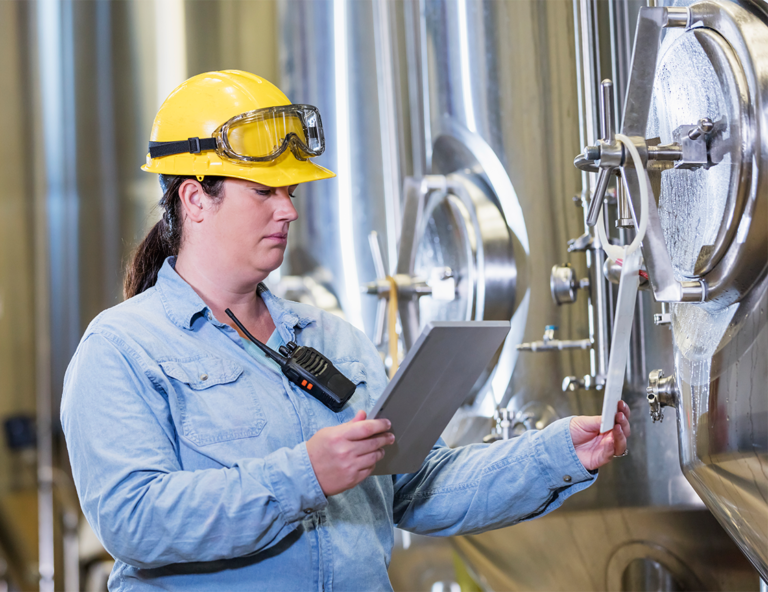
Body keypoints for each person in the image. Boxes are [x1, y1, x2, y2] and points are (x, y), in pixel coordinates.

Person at [61, 70, 631, 592]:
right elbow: (134, 520)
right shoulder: (122, 349)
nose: (288, 212)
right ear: (194, 198)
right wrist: (302, 476)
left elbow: (417, 486)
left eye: (291, 193)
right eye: (265, 192)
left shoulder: (331, 339)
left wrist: (557, 454)